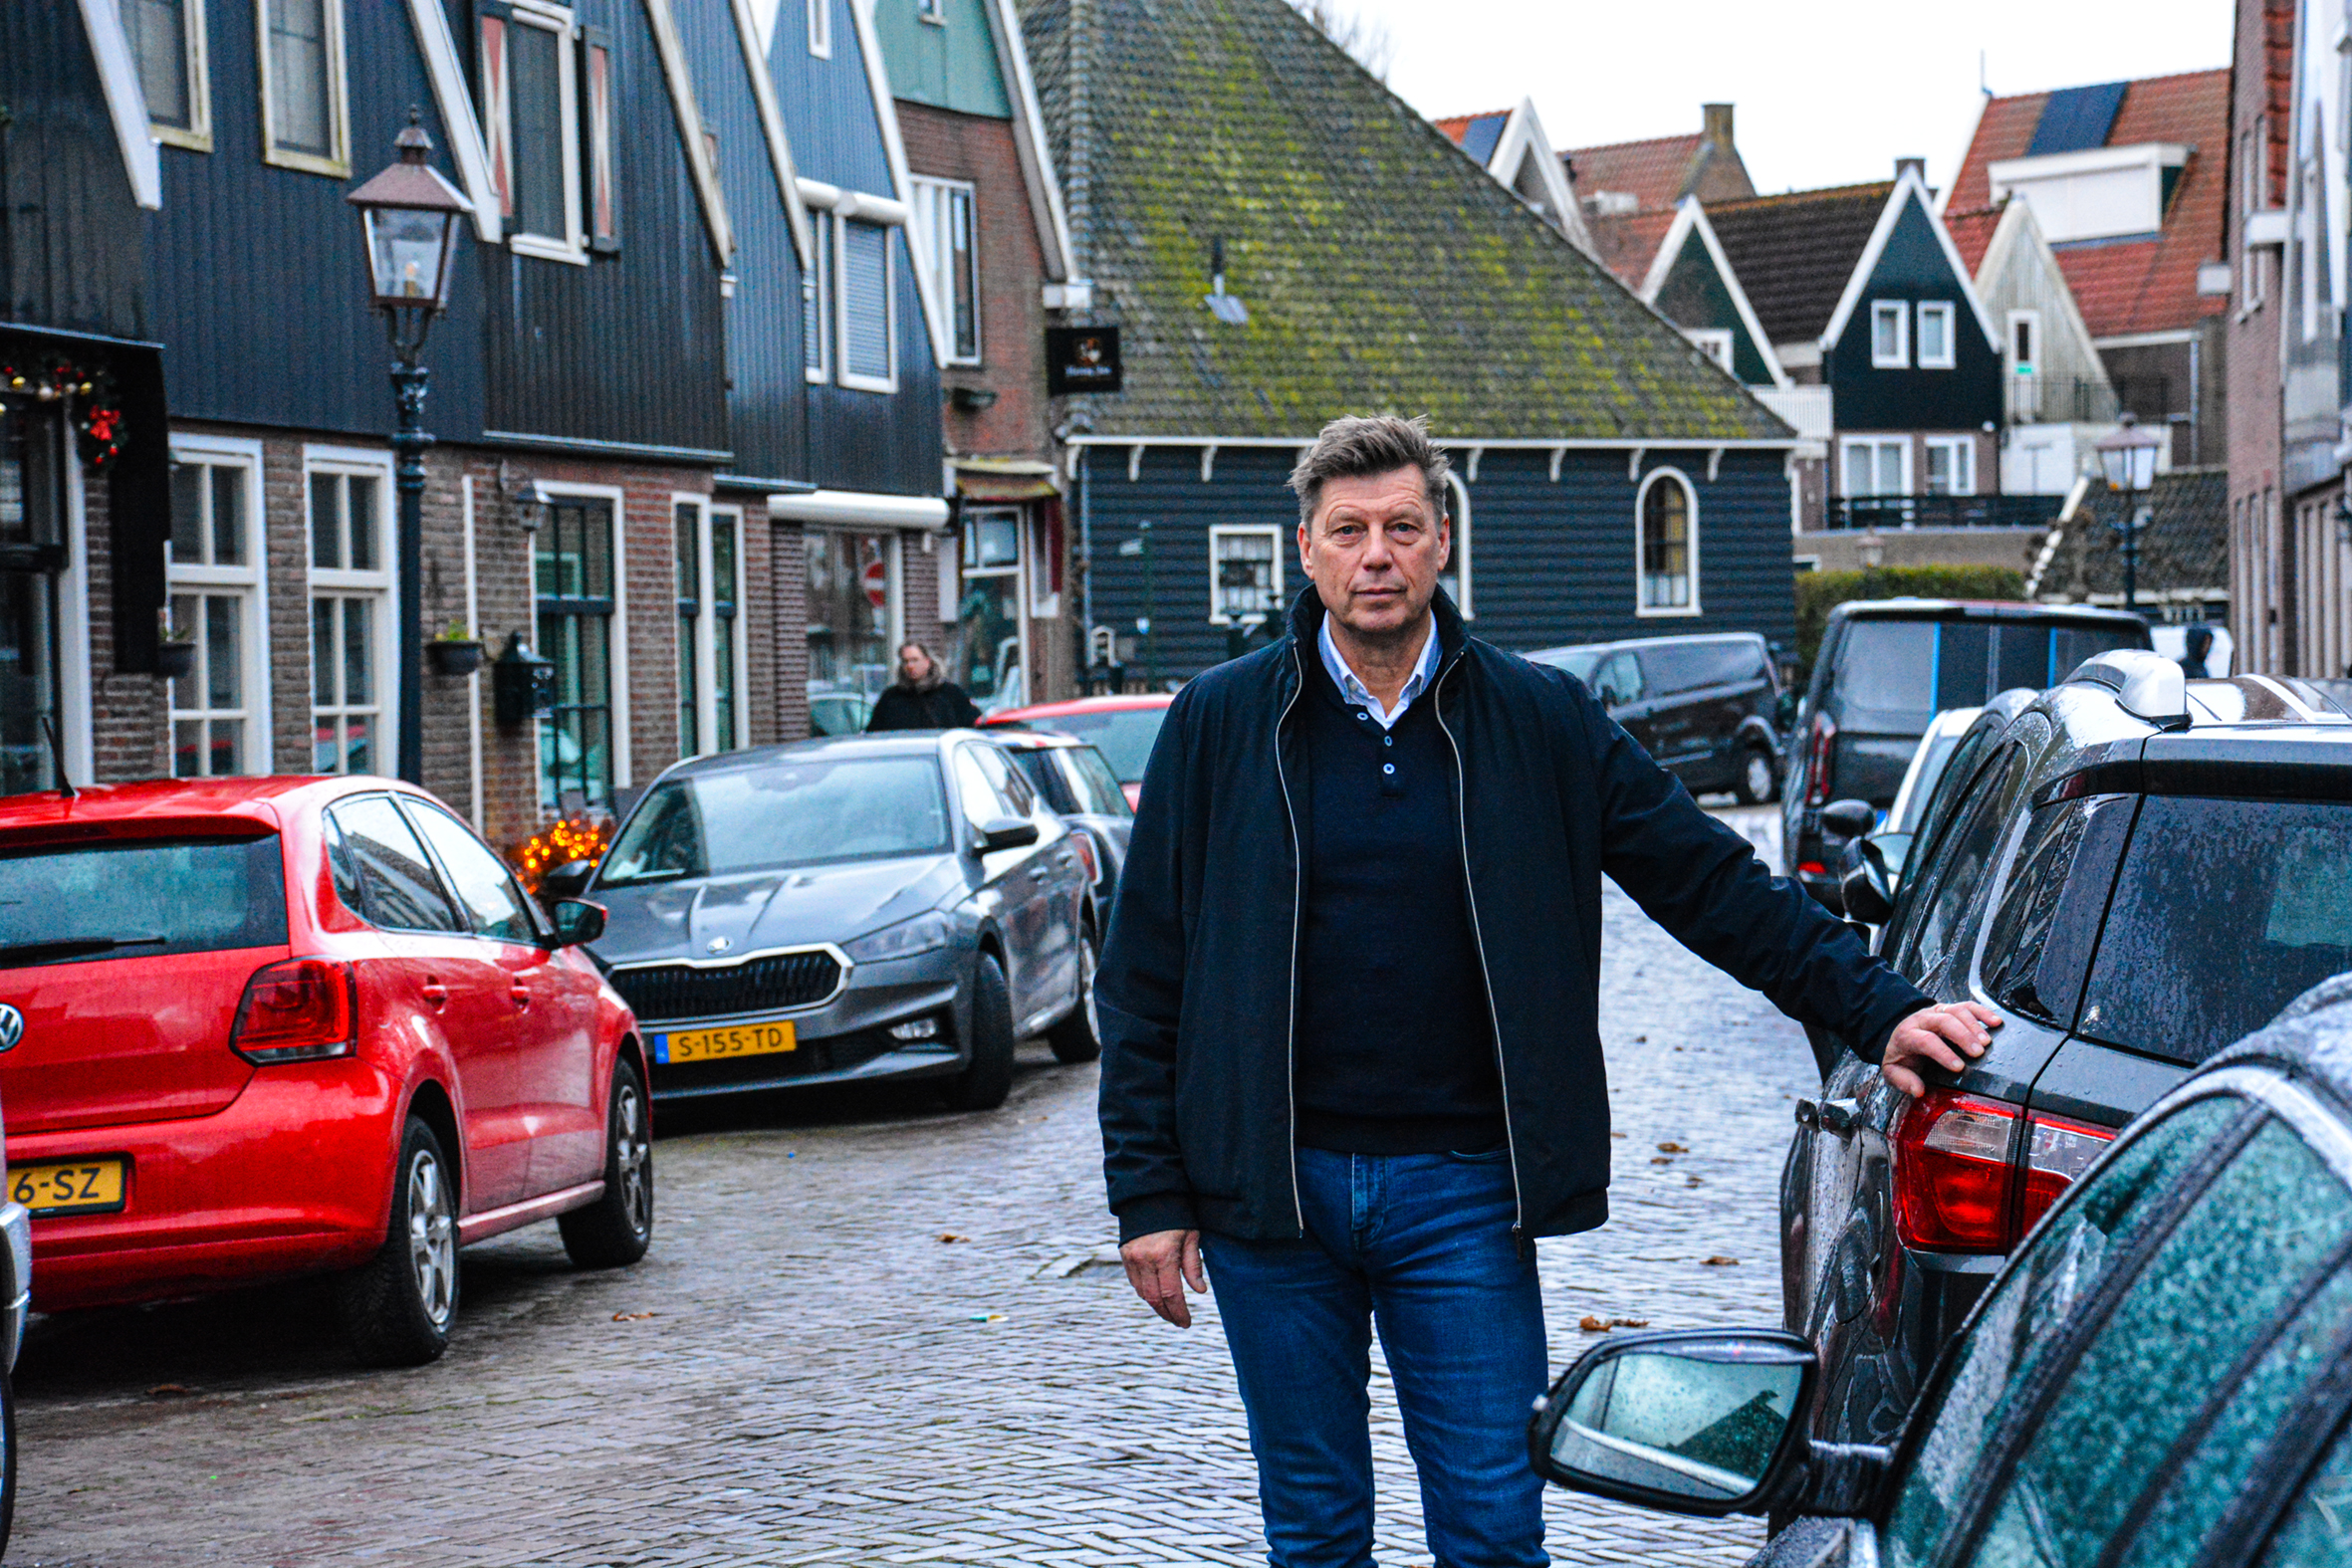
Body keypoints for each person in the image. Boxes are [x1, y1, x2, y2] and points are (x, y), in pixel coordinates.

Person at [1096, 414, 1999, 1568]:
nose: (1376, 556)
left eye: (1401, 528)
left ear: (1442, 543)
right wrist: (1148, 1192)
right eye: (1348, 531)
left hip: (1461, 1191)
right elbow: (1144, 975)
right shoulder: (1219, 724)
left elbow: (1708, 881)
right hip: (1270, 1199)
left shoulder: (1539, 719)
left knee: (1492, 1526)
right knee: (1312, 1532)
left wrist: (1878, 1009)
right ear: (1307, 551)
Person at [864, 642, 981, 731]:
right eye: (905, 661)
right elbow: (874, 733)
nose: (910, 666)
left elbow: (972, 725)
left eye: (915, 660)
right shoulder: (890, 698)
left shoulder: (950, 693)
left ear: (927, 662)